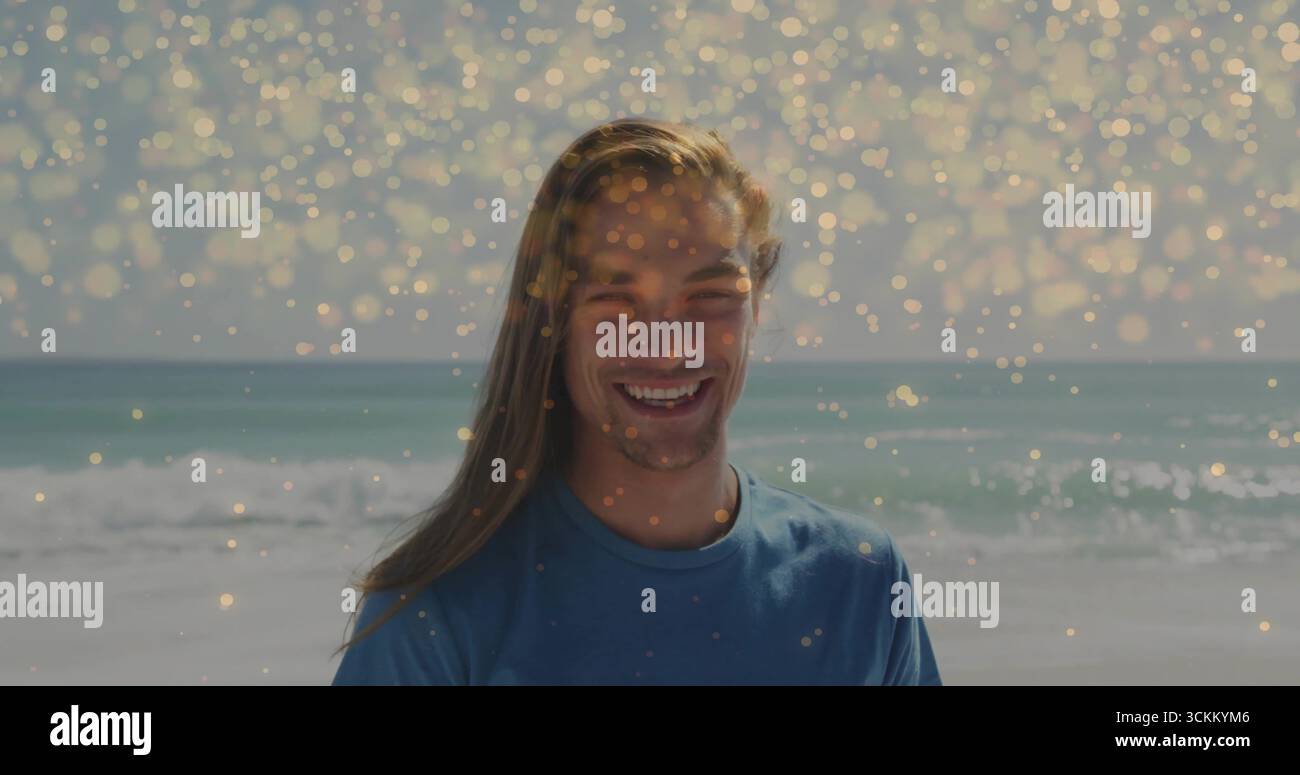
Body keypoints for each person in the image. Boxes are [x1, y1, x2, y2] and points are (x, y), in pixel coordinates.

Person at [332, 118, 941, 685]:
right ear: (553, 318)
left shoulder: (860, 581)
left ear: (757, 303)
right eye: (616, 298)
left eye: (709, 294)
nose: (667, 344)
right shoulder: (438, 612)